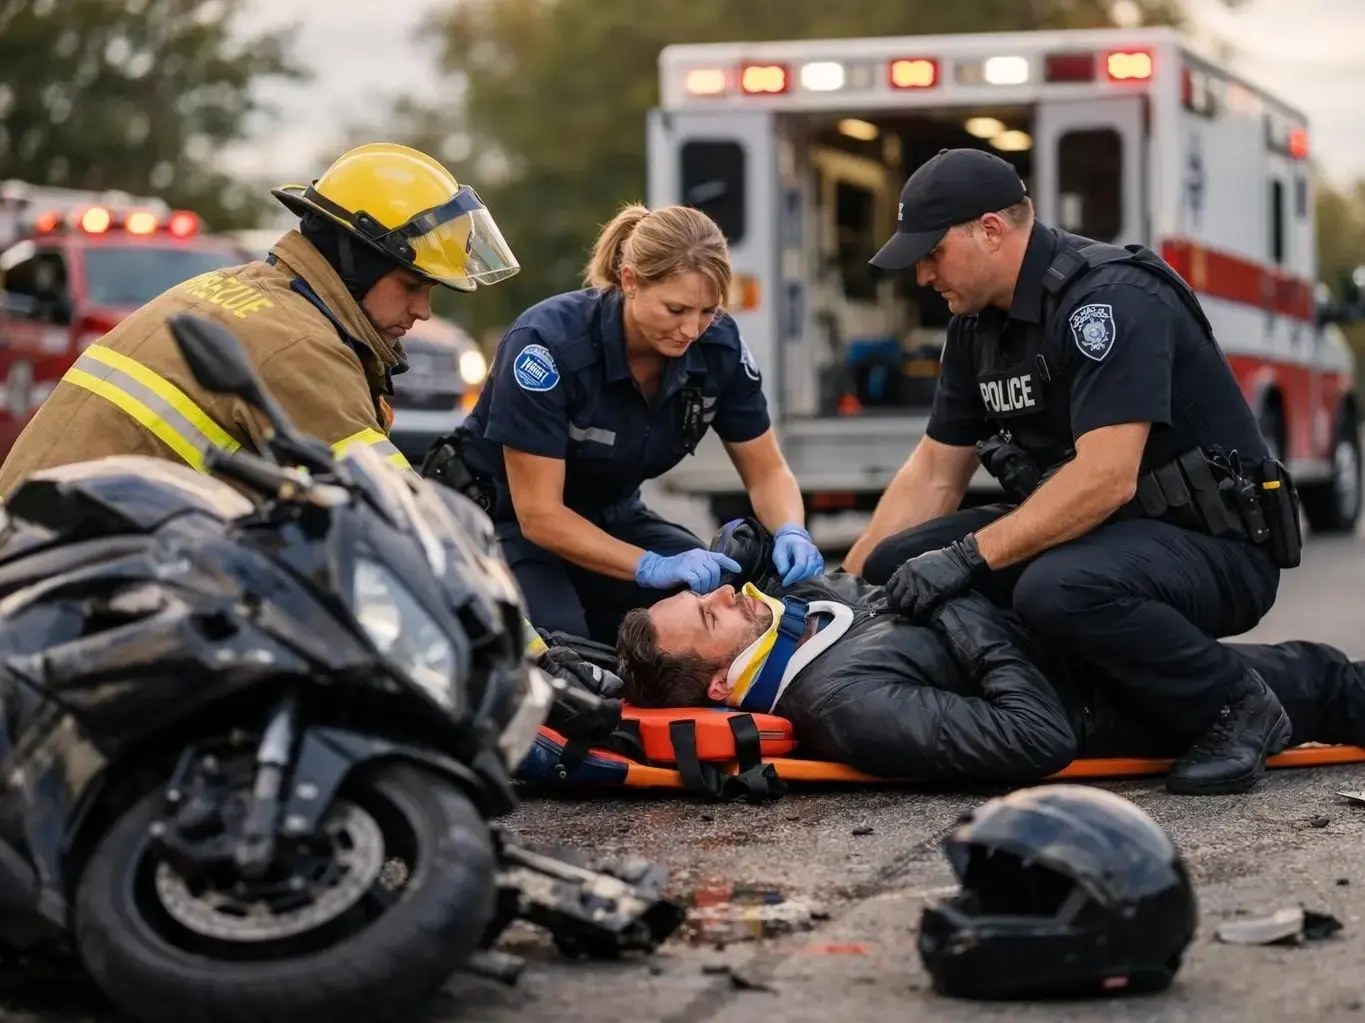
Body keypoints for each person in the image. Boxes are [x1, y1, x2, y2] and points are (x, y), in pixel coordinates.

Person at [836, 147, 1302, 796]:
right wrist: (841, 592)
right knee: (896, 563)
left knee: (1055, 588)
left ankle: (1236, 705)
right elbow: (934, 475)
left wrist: (967, 557)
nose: (922, 275)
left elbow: (1106, 477)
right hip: (1103, 537)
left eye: (931, 253)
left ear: (990, 231)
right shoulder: (976, 327)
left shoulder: (1108, 300)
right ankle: (1058, 682)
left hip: (1211, 546)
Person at [613, 546, 1365, 792]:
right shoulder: (845, 704)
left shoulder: (796, 615)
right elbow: (1035, 737)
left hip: (1092, 645)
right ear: (721, 684)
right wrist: (958, 596)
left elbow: (876, 584)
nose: (720, 593)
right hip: (1114, 701)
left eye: (701, 593)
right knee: (1325, 682)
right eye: (708, 616)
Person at [0, 141, 520, 495]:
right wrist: (531, 650)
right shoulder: (300, 346)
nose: (422, 312)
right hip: (67, 583)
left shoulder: (246, 290)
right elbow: (405, 521)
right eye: (412, 285)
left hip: (54, 554)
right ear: (357, 260)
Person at [425, 202, 822, 646]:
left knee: (723, 605)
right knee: (564, 652)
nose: (691, 329)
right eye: (675, 309)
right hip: (506, 521)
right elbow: (539, 515)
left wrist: (791, 528)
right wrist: (650, 566)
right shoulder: (547, 345)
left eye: (707, 311)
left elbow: (767, 471)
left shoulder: (718, 348)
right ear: (630, 280)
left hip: (611, 514)